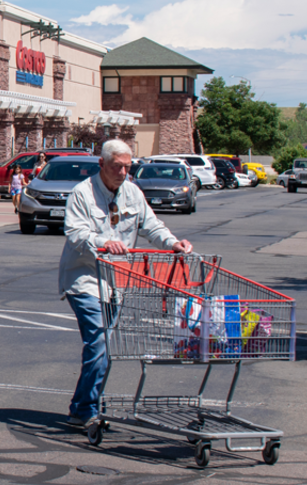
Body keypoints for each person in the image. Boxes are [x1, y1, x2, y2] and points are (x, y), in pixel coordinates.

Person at [59, 138, 193, 429]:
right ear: (102, 165)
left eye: (127, 167)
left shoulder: (132, 192)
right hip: (85, 279)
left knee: (104, 346)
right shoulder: (82, 194)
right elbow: (75, 233)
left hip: (117, 282)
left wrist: (173, 243)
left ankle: (81, 407)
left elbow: (151, 225)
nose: (122, 173)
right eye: (117, 167)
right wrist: (103, 243)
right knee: (100, 342)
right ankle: (86, 410)